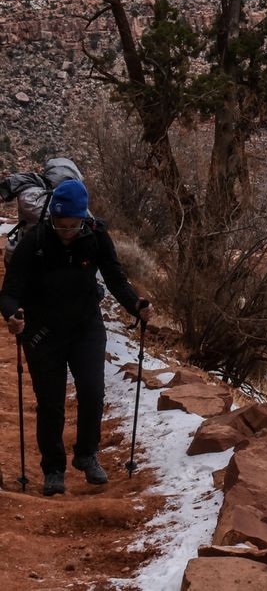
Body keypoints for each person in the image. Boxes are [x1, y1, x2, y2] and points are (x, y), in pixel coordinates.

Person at [0, 179, 152, 496]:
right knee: (51, 403)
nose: (66, 232)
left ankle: (86, 455)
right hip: (43, 332)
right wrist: (13, 316)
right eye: (60, 225)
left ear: (83, 219)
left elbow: (115, 278)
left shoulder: (96, 237)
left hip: (86, 327)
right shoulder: (36, 240)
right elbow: (10, 292)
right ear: (51, 219)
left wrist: (136, 306)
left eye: (72, 225)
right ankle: (53, 469)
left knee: (93, 392)